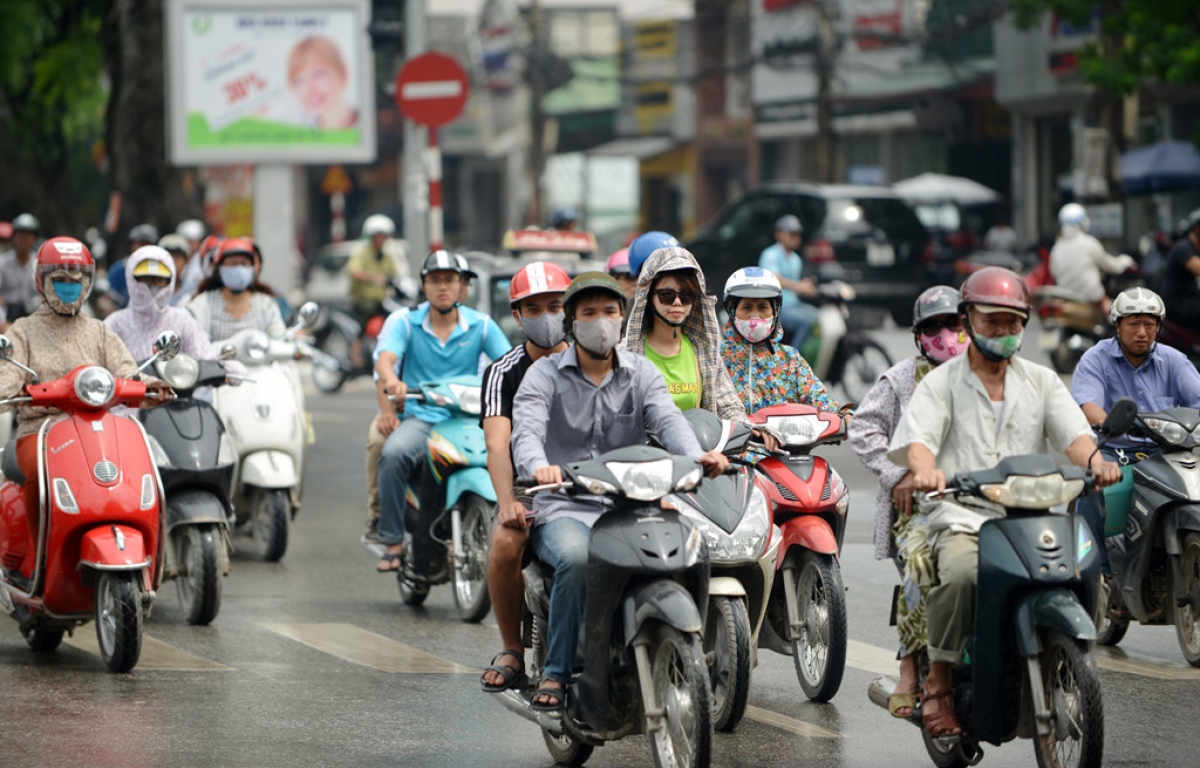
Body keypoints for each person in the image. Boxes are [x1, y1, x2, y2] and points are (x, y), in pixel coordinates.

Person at [886, 266, 1121, 737]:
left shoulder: (1041, 380)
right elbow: (919, 442)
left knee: (1084, 564)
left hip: (1033, 513)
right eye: (993, 321)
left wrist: (1096, 460)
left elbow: (1074, 436)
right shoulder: (942, 383)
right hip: (963, 515)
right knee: (959, 575)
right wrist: (927, 468)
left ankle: (1063, 655)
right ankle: (939, 680)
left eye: (1013, 322)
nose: (1004, 331)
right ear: (969, 319)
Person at [510, 271, 729, 711]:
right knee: (575, 557)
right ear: (571, 323)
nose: (601, 322)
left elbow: (668, 421)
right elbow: (526, 433)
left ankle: (687, 646)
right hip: (566, 505)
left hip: (632, 503)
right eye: (589, 313)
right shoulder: (544, 376)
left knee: (691, 545)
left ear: (623, 315)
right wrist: (538, 467)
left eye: (610, 311)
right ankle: (557, 673)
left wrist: (697, 456)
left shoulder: (641, 372)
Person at [0, 237, 172, 555]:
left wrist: (150, 385)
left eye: (76, 281)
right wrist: (11, 390)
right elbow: (7, 375)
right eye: (60, 280)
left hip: (95, 434)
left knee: (137, 468)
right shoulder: (22, 330)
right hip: (39, 435)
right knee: (41, 476)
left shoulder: (98, 331)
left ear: (88, 283)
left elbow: (126, 371)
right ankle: (41, 556)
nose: (69, 287)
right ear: (42, 281)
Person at [847, 285, 970, 719]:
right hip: (917, 509)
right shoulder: (900, 379)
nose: (945, 334)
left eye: (953, 324)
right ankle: (909, 670)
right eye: (933, 327)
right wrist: (897, 472)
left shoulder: (989, 373)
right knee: (921, 564)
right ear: (919, 336)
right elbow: (862, 429)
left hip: (981, 499)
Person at [372, 251, 511, 574]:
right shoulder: (407, 323)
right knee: (393, 454)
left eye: (449, 280)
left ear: (462, 286)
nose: (442, 287)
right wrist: (393, 382)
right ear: (424, 286)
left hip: (470, 419)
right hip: (423, 418)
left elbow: (508, 364)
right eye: (434, 280)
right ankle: (392, 541)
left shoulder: (482, 325)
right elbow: (384, 360)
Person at [479, 261, 572, 693]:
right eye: (534, 308)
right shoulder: (503, 372)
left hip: (592, 481)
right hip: (528, 487)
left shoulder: (596, 359)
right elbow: (498, 444)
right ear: (517, 316)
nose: (547, 316)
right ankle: (513, 649)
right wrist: (507, 503)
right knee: (504, 544)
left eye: (556, 305)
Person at [1070, 287, 1200, 575]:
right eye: (1133, 323)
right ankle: (1098, 574)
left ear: (1158, 327)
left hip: (1167, 453)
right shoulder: (1096, 359)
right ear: (1117, 326)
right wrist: (1108, 421)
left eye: (1149, 324)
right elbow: (1087, 404)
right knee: (1092, 488)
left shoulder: (1175, 361)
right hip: (1115, 450)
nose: (1142, 332)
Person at [720, 266, 840, 419]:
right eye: (746, 307)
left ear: (775, 312)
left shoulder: (790, 360)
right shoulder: (718, 360)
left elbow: (818, 397)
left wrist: (843, 415)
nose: (755, 316)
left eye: (763, 307)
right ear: (732, 311)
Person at [105, 246, 228, 366]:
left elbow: (205, 357)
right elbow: (94, 363)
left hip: (176, 385)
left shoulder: (182, 320)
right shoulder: (115, 324)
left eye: (159, 280)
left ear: (170, 281)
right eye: (145, 279)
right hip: (129, 385)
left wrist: (225, 369)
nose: (152, 286)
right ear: (131, 280)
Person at [188, 237, 286, 342]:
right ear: (219, 268)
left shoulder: (265, 305)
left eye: (244, 264)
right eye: (233, 263)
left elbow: (278, 340)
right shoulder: (203, 303)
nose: (239, 269)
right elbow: (195, 343)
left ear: (252, 268)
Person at [1048, 203, 1135, 315]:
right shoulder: (1089, 243)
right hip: (1090, 296)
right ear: (1082, 222)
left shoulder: (1057, 247)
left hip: (1065, 296)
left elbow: (1053, 272)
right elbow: (1109, 265)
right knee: (1113, 314)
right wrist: (1123, 262)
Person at [348, 214, 404, 366]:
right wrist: (374, 277)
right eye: (379, 236)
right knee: (361, 325)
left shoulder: (387, 255)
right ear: (372, 237)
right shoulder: (362, 253)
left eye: (384, 236)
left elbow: (396, 274)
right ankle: (356, 355)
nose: (382, 240)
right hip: (364, 299)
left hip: (382, 300)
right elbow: (353, 271)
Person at [759, 214, 819, 351]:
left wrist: (806, 286)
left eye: (798, 234)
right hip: (776, 307)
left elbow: (794, 285)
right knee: (806, 323)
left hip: (794, 304)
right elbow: (774, 278)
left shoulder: (795, 258)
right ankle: (793, 362)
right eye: (791, 233)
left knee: (820, 318)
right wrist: (799, 286)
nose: (796, 237)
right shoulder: (770, 254)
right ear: (779, 234)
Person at [287, 36, 356, 129]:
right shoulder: (299, 134)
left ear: (342, 71)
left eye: (318, 74)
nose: (309, 87)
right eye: (299, 80)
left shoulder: (368, 124)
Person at [1159, 209, 1200, 331]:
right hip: (1177, 303)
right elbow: (1196, 266)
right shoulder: (1184, 247)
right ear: (1197, 228)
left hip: (1190, 299)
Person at [0, 213, 42, 327]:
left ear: (34, 238)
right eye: (20, 235)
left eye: (28, 235)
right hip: (7, 317)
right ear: (14, 237)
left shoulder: (39, 264)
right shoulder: (2, 262)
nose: (23, 239)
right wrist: (2, 323)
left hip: (34, 318)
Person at [157, 234, 193, 306]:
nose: (172, 262)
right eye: (169, 256)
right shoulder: (151, 288)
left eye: (177, 257)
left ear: (186, 261)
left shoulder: (193, 287)